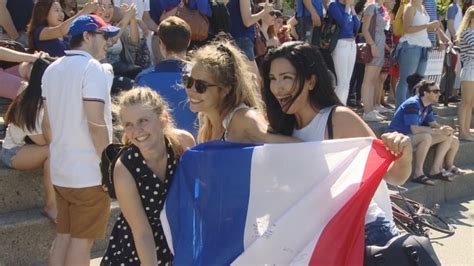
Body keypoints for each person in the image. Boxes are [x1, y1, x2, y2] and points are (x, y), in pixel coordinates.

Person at [261, 41, 413, 246]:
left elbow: (395, 176)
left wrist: (404, 152)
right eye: (272, 79)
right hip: (319, 237)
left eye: (286, 78)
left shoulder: (338, 120)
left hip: (364, 233)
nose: (278, 88)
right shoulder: (281, 128)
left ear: (311, 81)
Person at [41, 14, 119, 265]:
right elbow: (96, 125)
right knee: (81, 243)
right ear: (87, 36)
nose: (108, 41)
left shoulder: (51, 69)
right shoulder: (92, 68)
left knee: (64, 236)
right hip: (88, 174)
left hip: (62, 171)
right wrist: (109, 166)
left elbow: (47, 126)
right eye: (103, 35)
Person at [101, 87, 194, 265]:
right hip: (137, 251)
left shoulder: (183, 144)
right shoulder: (124, 168)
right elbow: (141, 232)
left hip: (178, 242)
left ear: (163, 119)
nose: (137, 130)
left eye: (143, 120)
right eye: (129, 124)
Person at [184, 39, 297, 144]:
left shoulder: (243, 119)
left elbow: (291, 146)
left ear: (225, 89)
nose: (191, 90)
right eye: (188, 81)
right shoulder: (206, 120)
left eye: (201, 86)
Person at [1, 57, 57, 222]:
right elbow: (44, 141)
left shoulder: (47, 98)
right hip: (13, 152)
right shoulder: (29, 102)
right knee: (52, 152)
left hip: (32, 148)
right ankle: (50, 206)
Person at [387, 80, 460, 185]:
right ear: (425, 93)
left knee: (448, 136)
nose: (439, 94)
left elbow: (433, 124)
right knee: (426, 137)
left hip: (410, 137)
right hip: (397, 139)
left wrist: (445, 129)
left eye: (439, 91)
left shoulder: (427, 105)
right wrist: (438, 131)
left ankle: (436, 169)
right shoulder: (413, 104)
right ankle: (418, 173)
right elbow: (415, 129)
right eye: (435, 91)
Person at [135, 16, 197, 136]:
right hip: (197, 147)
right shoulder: (203, 76)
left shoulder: (143, 79)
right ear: (188, 42)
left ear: (161, 45)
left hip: (160, 147)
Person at [392, 0, 440, 107]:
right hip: (411, 45)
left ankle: (412, 110)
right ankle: (400, 110)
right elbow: (406, 29)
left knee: (417, 83)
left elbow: (427, 26)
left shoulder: (422, 7)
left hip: (423, 46)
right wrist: (427, 26)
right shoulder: (409, 7)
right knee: (405, 81)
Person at [27, 0, 99, 57]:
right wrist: (85, 11)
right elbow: (61, 30)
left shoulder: (65, 37)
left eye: (61, 11)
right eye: (56, 10)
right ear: (44, 13)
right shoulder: (39, 31)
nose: (61, 14)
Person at [360, 0, 391, 122]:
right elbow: (365, 29)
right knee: (368, 80)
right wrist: (372, 45)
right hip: (373, 47)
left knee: (373, 80)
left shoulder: (381, 8)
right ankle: (367, 111)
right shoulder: (371, 7)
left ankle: (371, 109)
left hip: (380, 46)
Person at [96, 0, 140, 79]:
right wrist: (127, 17)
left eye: (110, 6)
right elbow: (111, 39)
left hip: (121, 69)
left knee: (138, 72)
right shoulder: (93, 28)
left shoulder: (114, 26)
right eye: (103, 7)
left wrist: (132, 19)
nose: (107, 10)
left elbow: (134, 42)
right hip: (103, 73)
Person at [228, 0, 273, 77]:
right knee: (255, 81)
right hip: (242, 41)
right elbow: (247, 21)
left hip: (236, 39)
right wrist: (265, 11)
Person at [328, 0, 361, 105]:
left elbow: (357, 26)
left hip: (351, 45)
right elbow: (343, 23)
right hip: (341, 44)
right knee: (342, 82)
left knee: (347, 82)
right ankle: (337, 108)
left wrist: (352, 8)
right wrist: (347, 6)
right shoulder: (333, 5)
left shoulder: (349, 8)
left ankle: (341, 106)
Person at [457, 6, 474, 141]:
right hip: (470, 69)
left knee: (471, 103)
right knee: (466, 102)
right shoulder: (467, 32)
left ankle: (467, 130)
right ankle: (462, 131)